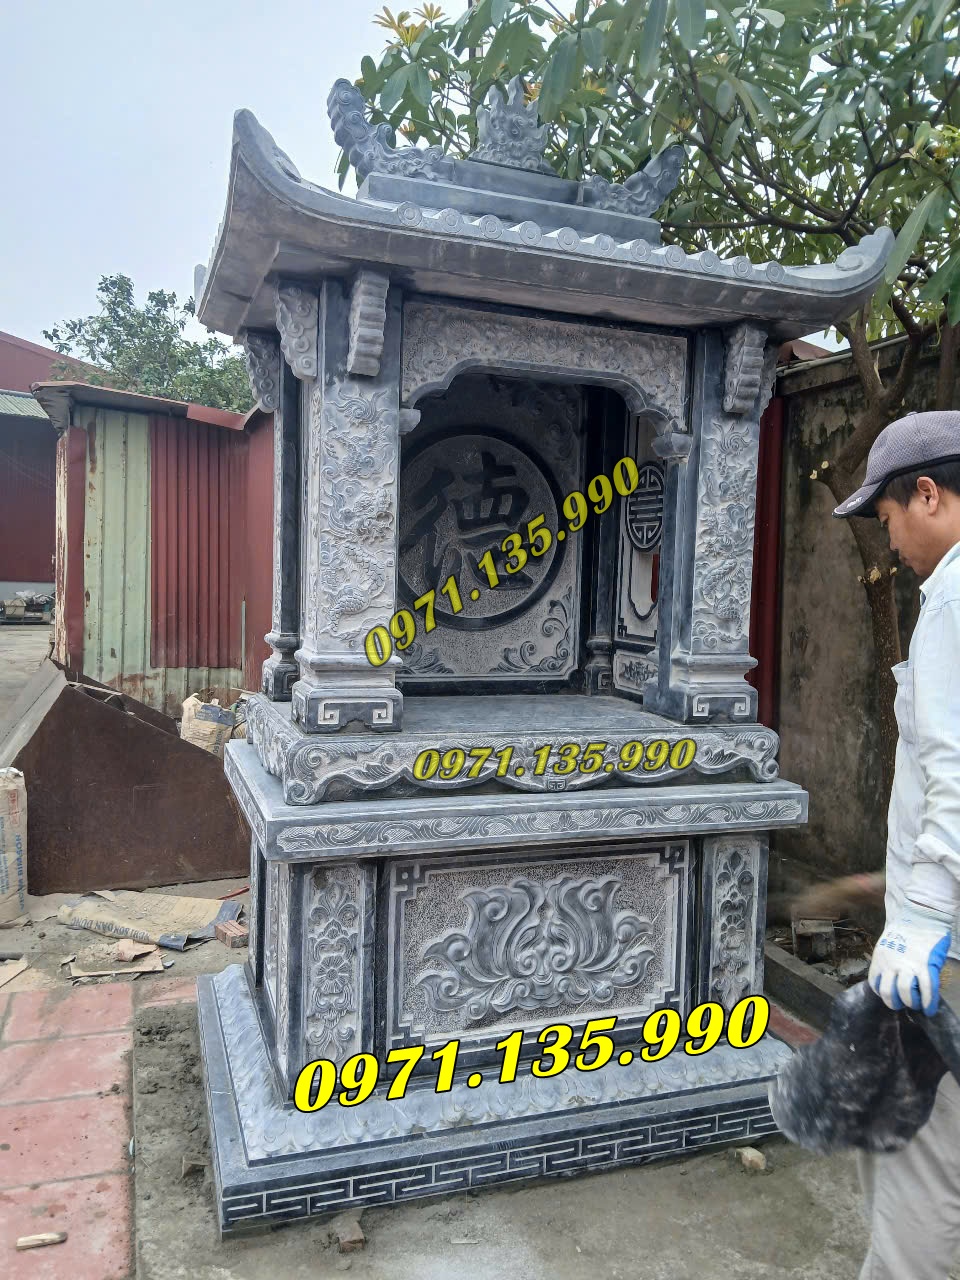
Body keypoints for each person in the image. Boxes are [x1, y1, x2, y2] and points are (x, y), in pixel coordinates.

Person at [834, 409, 960, 1279]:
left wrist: (919, 914)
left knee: (917, 1148)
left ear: (927, 494)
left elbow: (955, 769)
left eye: (887, 521)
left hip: (945, 945)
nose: (891, 545)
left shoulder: (951, 597)